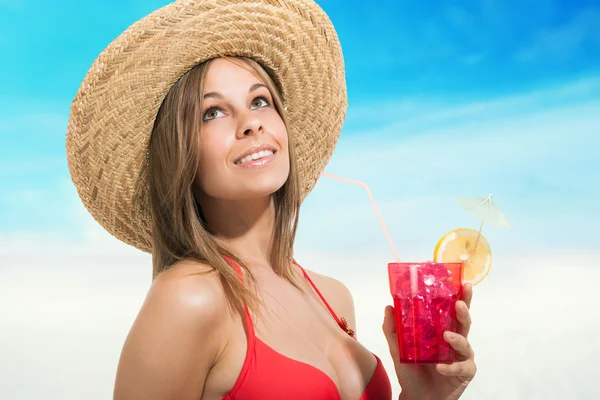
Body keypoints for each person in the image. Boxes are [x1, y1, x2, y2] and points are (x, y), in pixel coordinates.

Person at [65, 1, 476, 399]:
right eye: (212, 113)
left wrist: (424, 398)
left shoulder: (334, 298)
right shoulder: (188, 300)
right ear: (179, 156)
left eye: (260, 101)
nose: (251, 123)